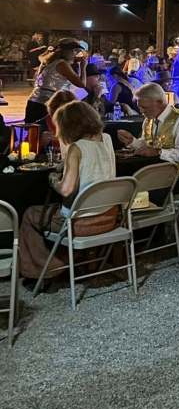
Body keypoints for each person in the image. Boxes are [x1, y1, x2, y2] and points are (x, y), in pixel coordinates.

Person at [19, 101, 117, 280]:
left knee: (29, 214)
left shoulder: (76, 147)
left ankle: (47, 268)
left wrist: (53, 179)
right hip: (108, 216)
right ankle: (72, 259)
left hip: (79, 224)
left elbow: (66, 189)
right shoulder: (107, 139)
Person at [117, 83, 179, 174]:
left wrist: (158, 152)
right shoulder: (148, 120)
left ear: (160, 102)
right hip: (154, 170)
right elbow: (147, 145)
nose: (141, 111)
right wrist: (132, 141)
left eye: (145, 107)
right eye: (139, 107)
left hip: (177, 174)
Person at [25, 38, 87, 125]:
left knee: (34, 133)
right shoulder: (62, 64)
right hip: (46, 104)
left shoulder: (50, 61)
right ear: (66, 51)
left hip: (35, 101)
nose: (75, 54)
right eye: (74, 51)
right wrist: (83, 67)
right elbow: (81, 84)